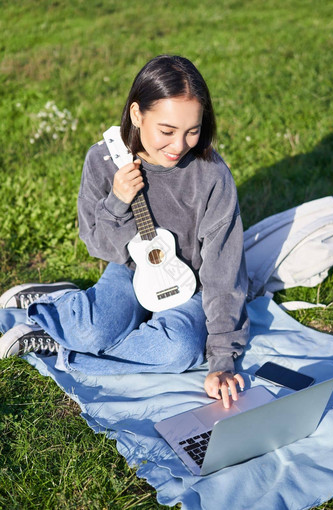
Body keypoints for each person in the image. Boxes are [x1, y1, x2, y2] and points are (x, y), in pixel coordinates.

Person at [0, 55, 249, 408]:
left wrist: (223, 359)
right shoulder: (103, 161)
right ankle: (60, 311)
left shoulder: (210, 174)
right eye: (167, 131)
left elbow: (224, 270)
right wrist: (117, 200)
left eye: (192, 131)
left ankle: (60, 340)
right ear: (137, 114)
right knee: (94, 329)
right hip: (131, 269)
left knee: (180, 351)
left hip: (192, 284)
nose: (179, 146)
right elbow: (97, 245)